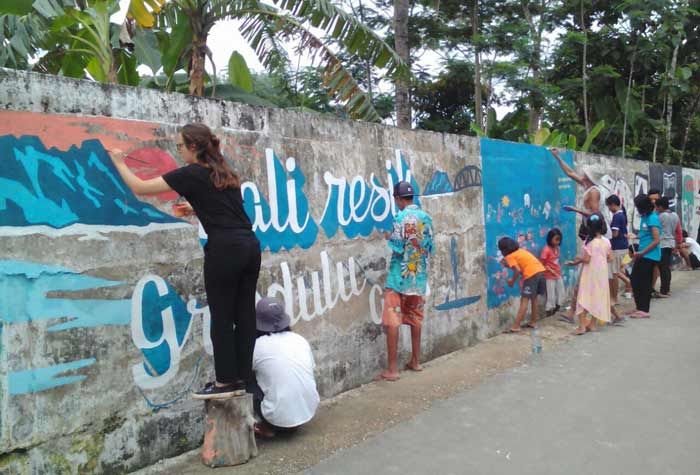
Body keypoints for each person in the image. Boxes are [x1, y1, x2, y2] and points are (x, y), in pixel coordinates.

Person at [109, 123, 261, 399]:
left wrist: (119, 161)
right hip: (249, 246)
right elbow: (225, 206)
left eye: (179, 146)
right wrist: (196, 207)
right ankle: (243, 377)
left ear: (193, 147)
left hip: (224, 249)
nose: (178, 151)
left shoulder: (191, 173)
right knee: (245, 314)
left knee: (223, 315)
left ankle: (226, 381)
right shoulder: (225, 172)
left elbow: (140, 187)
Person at [378, 181, 434, 382]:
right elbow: (429, 247)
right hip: (418, 279)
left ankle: (393, 370)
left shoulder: (400, 218)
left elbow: (398, 246)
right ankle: (416, 361)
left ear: (398, 199)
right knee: (415, 318)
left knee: (393, 320)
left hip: (398, 278)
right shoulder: (426, 218)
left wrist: (387, 236)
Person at [549, 148, 610, 324]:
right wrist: (557, 157)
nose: (582, 175)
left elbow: (595, 215)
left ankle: (578, 313)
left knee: (584, 278)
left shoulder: (593, 192)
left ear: (589, 177)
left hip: (591, 236)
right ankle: (586, 314)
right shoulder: (587, 186)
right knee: (586, 277)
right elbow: (569, 173)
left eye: (585, 174)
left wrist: (575, 209)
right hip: (589, 235)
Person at [250, 297, 320, 438]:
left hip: (276, 419)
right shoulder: (300, 340)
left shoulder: (256, 346)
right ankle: (288, 421)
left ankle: (268, 426)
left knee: (246, 379)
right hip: (308, 411)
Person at [565, 215, 612, 334]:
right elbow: (610, 258)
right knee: (598, 296)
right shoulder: (606, 241)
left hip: (589, 272)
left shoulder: (588, 242)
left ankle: (581, 326)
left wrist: (576, 261)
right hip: (601, 272)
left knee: (583, 296)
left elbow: (586, 260)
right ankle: (592, 324)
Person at [499, 237, 546, 333]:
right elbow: (522, 267)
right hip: (540, 271)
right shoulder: (520, 251)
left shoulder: (510, 256)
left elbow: (518, 270)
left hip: (531, 274)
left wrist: (512, 281)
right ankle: (533, 322)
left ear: (503, 250)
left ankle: (516, 326)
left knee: (524, 301)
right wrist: (509, 266)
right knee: (534, 299)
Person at [628, 194, 661, 319]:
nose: (636, 209)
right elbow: (645, 235)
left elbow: (656, 240)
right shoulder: (645, 217)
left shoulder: (653, 218)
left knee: (643, 281)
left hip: (649, 255)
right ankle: (640, 307)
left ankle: (644, 309)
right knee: (635, 280)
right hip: (643, 254)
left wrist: (642, 253)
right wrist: (634, 236)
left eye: (638, 207)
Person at [605, 195, 632, 303]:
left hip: (617, 248)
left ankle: (614, 298)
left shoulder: (616, 216)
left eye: (608, 206)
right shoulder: (622, 215)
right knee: (620, 270)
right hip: (624, 247)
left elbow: (615, 234)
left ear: (612, 205)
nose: (608, 209)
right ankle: (627, 288)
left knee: (613, 273)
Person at [654, 197, 680, 298]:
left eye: (656, 207)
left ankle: (664, 291)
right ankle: (666, 289)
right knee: (666, 268)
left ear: (660, 206)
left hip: (662, 243)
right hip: (670, 243)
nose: (656, 209)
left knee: (663, 268)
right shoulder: (675, 215)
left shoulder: (661, 216)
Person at [540, 228, 565, 317]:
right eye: (556, 240)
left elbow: (556, 261)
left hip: (557, 273)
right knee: (551, 295)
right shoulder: (546, 250)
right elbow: (541, 264)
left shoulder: (557, 248)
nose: (558, 242)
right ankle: (549, 310)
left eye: (559, 240)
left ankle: (557, 307)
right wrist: (550, 270)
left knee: (561, 291)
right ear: (550, 239)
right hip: (549, 275)